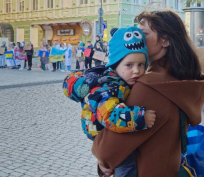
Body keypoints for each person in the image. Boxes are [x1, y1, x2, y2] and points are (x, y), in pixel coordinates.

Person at [91, 10, 204, 177]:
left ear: (165, 40)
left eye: (143, 34)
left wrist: (103, 163)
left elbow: (108, 151)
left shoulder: (151, 86)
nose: (138, 39)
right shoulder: (183, 80)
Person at [63, 27, 156, 177]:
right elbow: (110, 115)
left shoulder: (123, 82)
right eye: (129, 65)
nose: (136, 71)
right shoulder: (108, 87)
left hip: (109, 139)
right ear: (115, 66)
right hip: (103, 132)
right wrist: (140, 117)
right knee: (127, 166)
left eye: (141, 65)